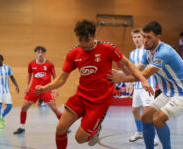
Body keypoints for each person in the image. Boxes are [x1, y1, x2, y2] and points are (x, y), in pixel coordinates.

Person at [35, 20, 153, 149]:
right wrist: (45, 88)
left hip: (99, 102)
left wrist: (143, 80)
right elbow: (62, 79)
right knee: (60, 128)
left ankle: (96, 128)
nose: (83, 44)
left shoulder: (107, 48)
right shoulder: (73, 53)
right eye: (80, 40)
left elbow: (127, 63)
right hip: (81, 97)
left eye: (87, 40)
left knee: (80, 139)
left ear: (93, 36)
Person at [108, 21, 183, 149]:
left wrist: (119, 80)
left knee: (158, 119)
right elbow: (137, 69)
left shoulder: (164, 52)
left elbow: (144, 75)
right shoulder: (147, 51)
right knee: (146, 117)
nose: (145, 40)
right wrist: (121, 73)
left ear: (158, 37)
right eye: (144, 36)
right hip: (169, 93)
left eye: (148, 37)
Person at [13, 46, 62, 134]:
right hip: (33, 89)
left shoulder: (49, 64)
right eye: (38, 52)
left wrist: (55, 88)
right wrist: (27, 86)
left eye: (42, 52)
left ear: (44, 53)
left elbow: (55, 77)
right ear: (35, 53)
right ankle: (22, 127)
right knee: (24, 107)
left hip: (46, 89)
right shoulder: (31, 64)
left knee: (54, 108)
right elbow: (29, 75)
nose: (40, 54)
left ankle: (65, 126)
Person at [124, 28, 158, 145]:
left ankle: (152, 136)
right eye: (134, 37)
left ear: (143, 38)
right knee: (135, 110)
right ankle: (139, 132)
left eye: (139, 37)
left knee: (148, 112)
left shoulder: (147, 51)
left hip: (148, 85)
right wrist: (129, 82)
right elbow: (131, 69)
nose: (137, 39)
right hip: (137, 86)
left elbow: (148, 68)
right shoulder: (132, 53)